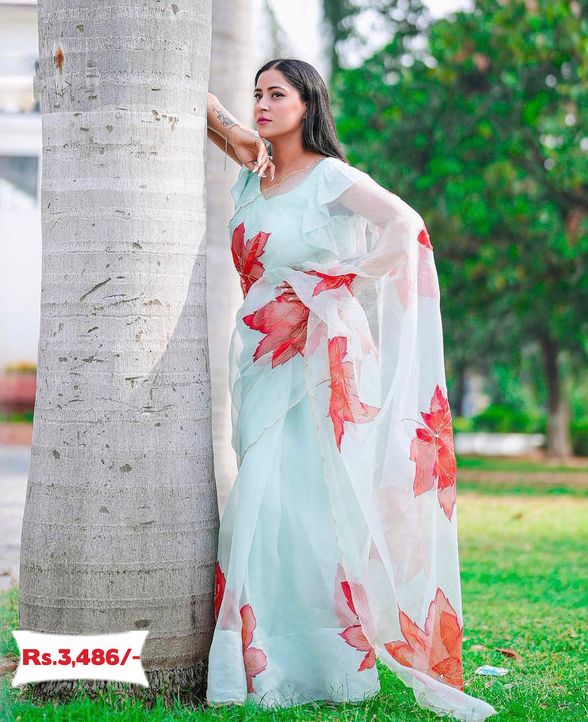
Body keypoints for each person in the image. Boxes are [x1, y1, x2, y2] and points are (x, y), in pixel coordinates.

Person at [204, 59, 497, 720]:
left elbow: (405, 223)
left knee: (299, 504)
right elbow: (206, 110)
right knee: (270, 501)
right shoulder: (254, 176)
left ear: (308, 104)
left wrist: (342, 280)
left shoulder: (331, 176)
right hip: (259, 354)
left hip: (315, 359)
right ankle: (268, 658)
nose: (261, 104)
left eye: (277, 94)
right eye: (257, 94)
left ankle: (322, 666)